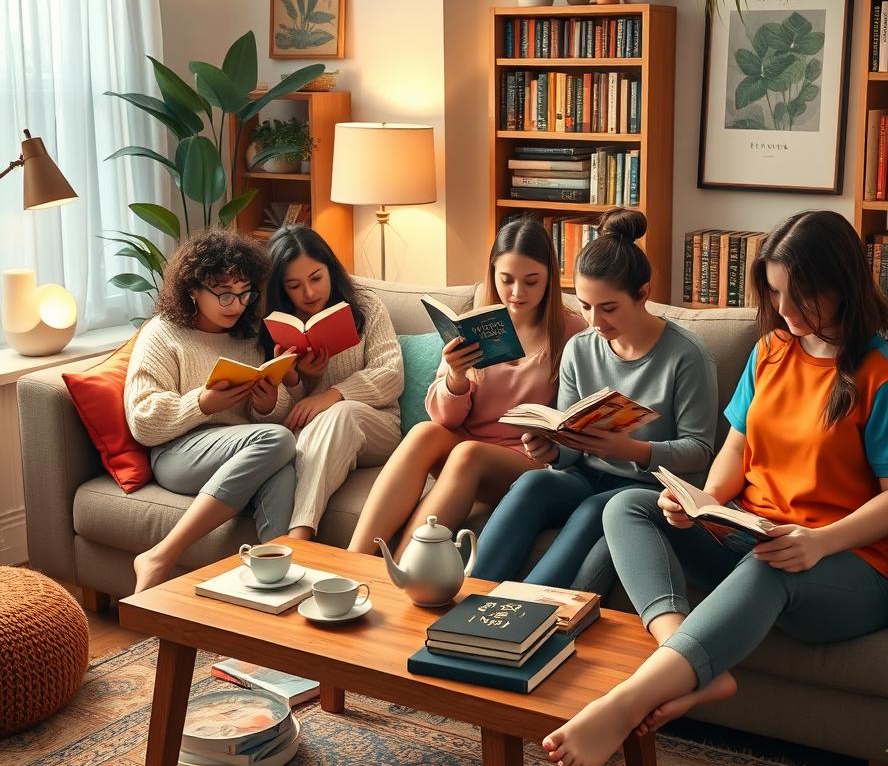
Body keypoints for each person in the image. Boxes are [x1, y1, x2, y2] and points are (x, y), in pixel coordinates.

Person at [541, 209, 888, 766]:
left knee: (772, 564)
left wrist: (819, 542)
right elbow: (733, 454)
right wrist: (696, 500)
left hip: (850, 565)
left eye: (802, 298)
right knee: (629, 504)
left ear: (842, 286)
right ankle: (681, 655)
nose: (788, 312)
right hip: (752, 529)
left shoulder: (886, 379)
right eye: (777, 295)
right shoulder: (770, 352)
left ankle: (625, 703)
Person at [473, 209, 717, 591]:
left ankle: (523, 608)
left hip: (648, 488)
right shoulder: (580, 349)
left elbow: (700, 450)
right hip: (585, 475)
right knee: (531, 486)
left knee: (591, 512)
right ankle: (469, 597)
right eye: (585, 306)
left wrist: (633, 449)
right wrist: (551, 450)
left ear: (643, 294)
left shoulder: (686, 355)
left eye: (608, 308)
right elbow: (570, 450)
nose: (594, 321)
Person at [347, 214, 586, 559]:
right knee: (423, 433)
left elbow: (572, 418)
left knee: (467, 453)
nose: (517, 293)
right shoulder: (477, 324)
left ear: (550, 278)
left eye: (531, 281)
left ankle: (401, 571)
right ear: (492, 274)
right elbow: (444, 420)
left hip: (524, 460)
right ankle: (353, 562)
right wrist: (456, 378)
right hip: (465, 447)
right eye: (506, 280)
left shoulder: (571, 333)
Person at [126, 230, 297, 593]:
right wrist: (201, 404)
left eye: (243, 293)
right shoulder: (162, 334)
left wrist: (268, 402)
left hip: (239, 450)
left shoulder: (249, 336)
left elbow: (271, 418)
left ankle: (271, 584)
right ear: (193, 290)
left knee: (282, 466)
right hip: (176, 453)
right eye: (223, 294)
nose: (235, 305)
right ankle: (160, 555)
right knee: (279, 441)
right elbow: (142, 421)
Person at [264, 224, 404, 540]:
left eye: (316, 278)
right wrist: (297, 380)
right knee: (309, 431)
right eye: (294, 285)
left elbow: (390, 375)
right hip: (312, 432)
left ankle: (300, 534)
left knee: (340, 414)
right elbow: (285, 415)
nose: (309, 293)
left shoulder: (366, 306)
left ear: (330, 269)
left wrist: (332, 394)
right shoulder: (276, 324)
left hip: (376, 425)